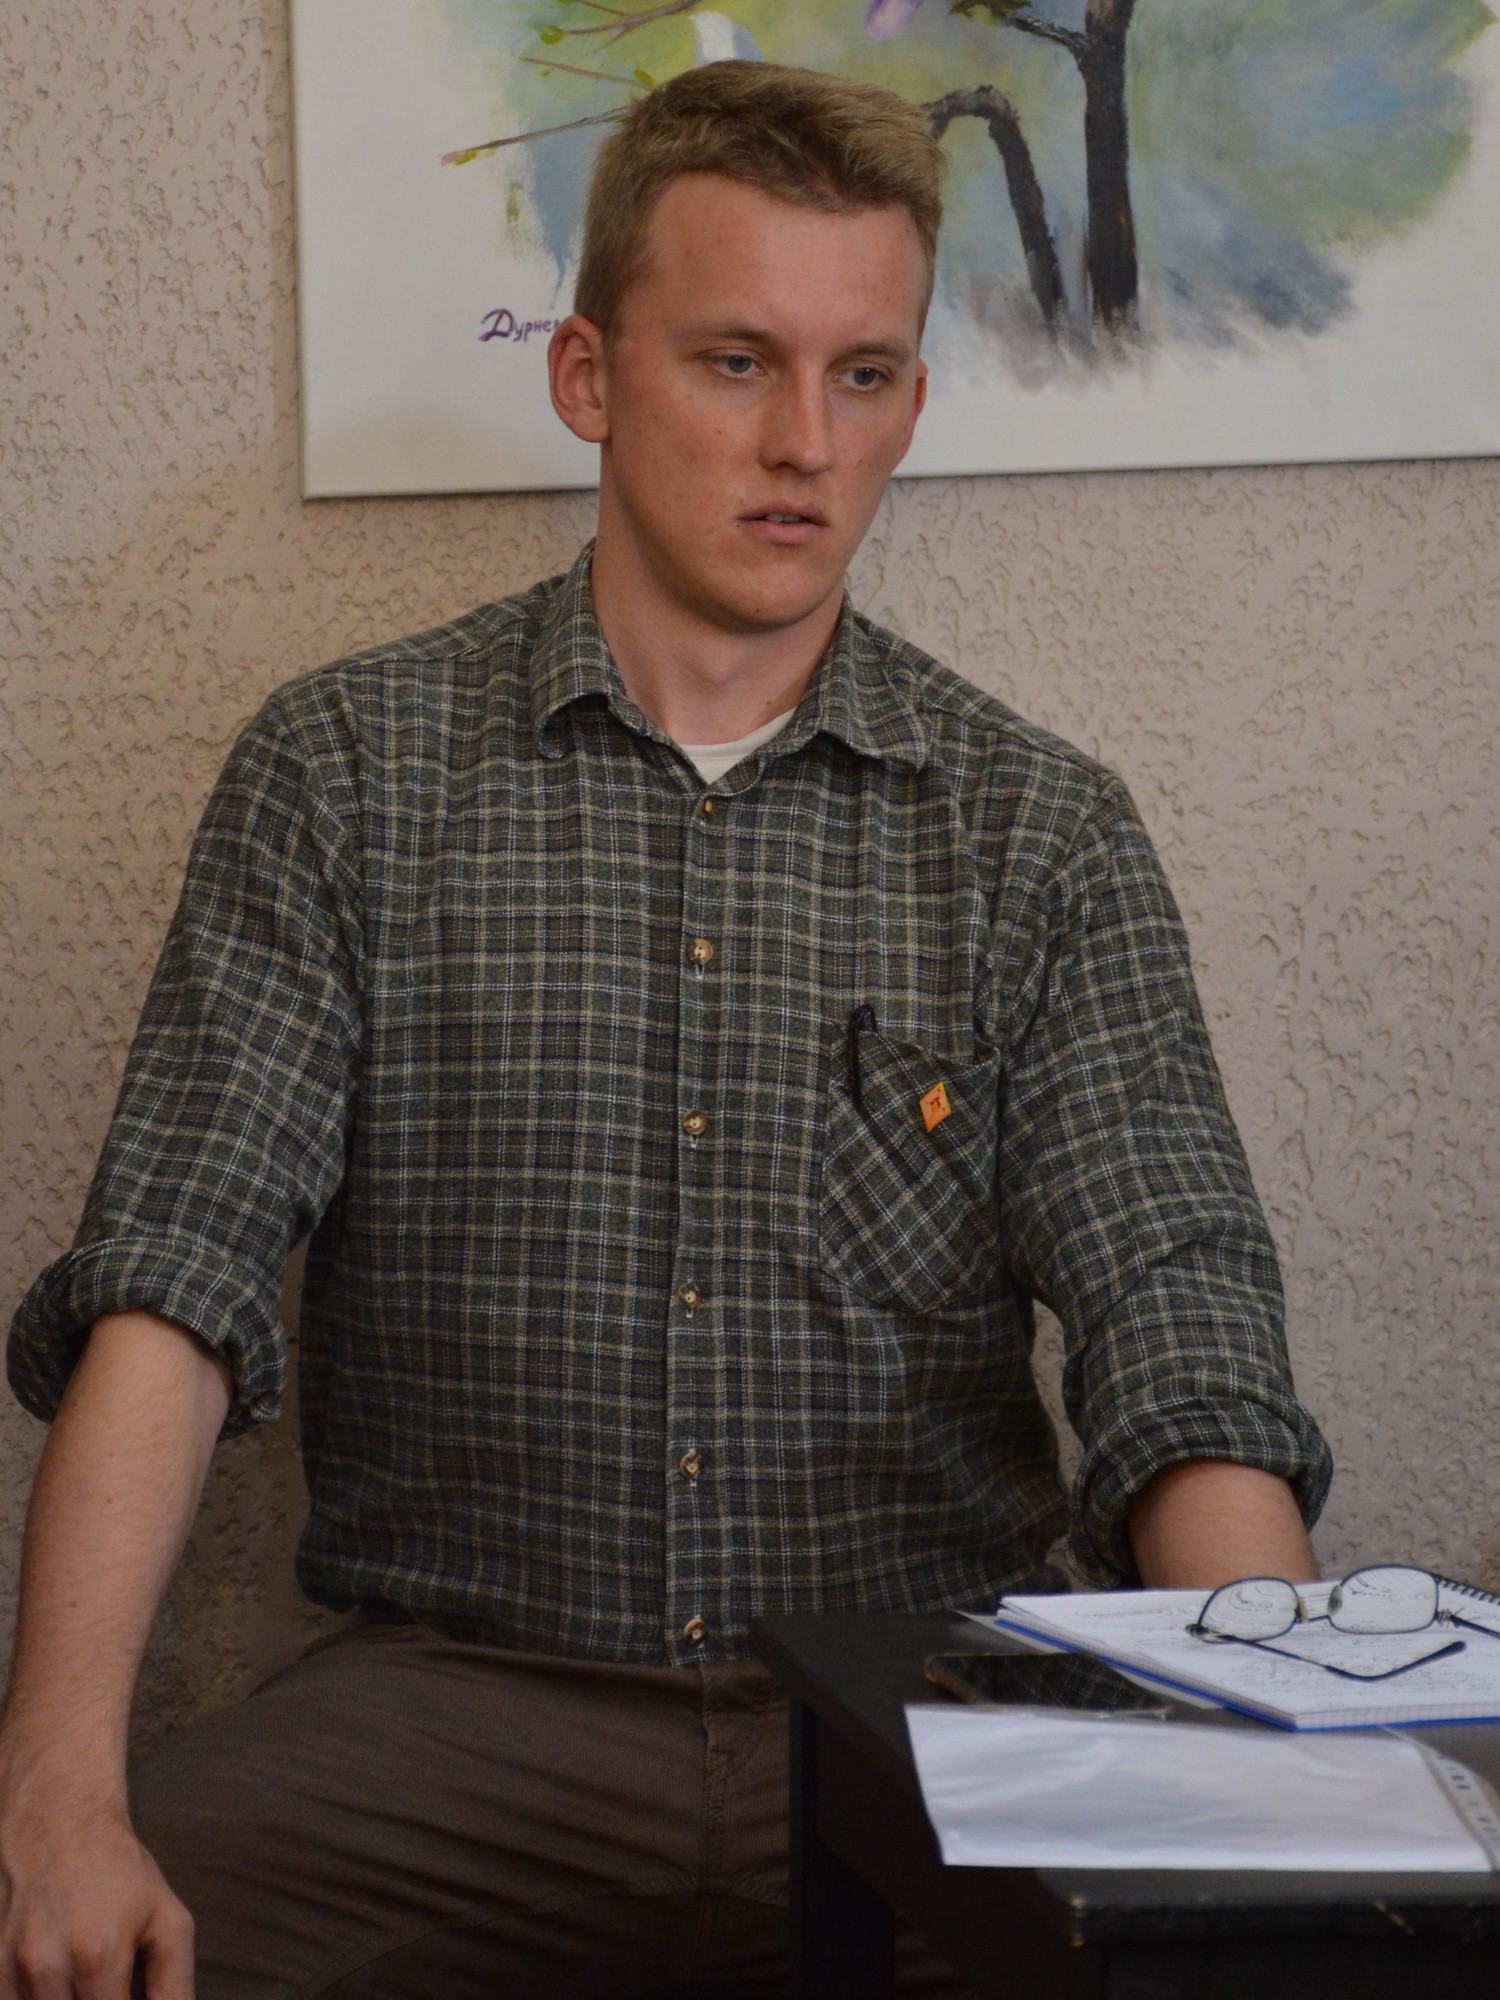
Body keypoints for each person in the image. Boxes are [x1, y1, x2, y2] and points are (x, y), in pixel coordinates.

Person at [0, 60, 1330, 2000]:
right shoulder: (348, 772)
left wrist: (1294, 1756)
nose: (804, 442)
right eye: (734, 362)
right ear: (589, 376)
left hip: (928, 1704)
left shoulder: (1038, 830)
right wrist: (56, 1795)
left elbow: (1180, 1331)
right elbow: (169, 1288)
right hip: (458, 1716)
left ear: (913, 404)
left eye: (862, 374)